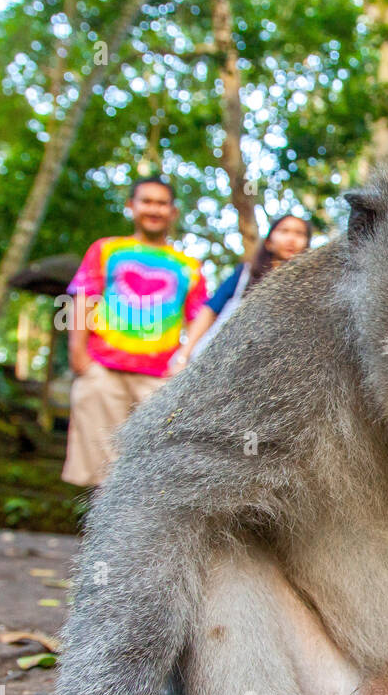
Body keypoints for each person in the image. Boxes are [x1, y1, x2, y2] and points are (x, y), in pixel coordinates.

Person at [61, 176, 207, 487]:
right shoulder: (107, 249)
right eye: (147, 201)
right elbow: (84, 298)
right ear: (131, 206)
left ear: (173, 211)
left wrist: (184, 359)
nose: (154, 209)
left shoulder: (189, 265)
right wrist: (78, 354)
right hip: (103, 370)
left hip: (160, 380)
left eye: (162, 203)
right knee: (99, 474)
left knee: (154, 472)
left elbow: (201, 317)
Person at [167, 213, 311, 372]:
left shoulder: (309, 289)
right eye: (284, 231)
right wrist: (183, 357)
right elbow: (210, 311)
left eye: (299, 233)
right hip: (222, 364)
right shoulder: (245, 275)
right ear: (268, 242)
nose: (291, 239)